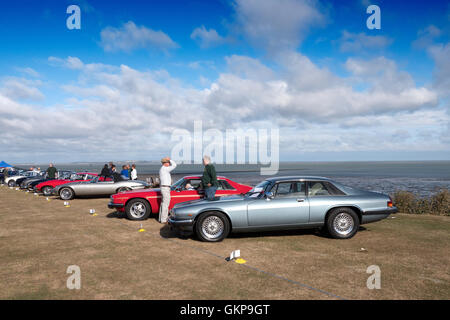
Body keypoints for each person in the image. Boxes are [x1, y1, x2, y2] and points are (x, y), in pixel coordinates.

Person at [158, 157, 177, 224]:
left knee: (163, 204)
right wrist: (170, 159)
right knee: (166, 204)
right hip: (165, 188)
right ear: (165, 163)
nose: (169, 163)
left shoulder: (163, 169)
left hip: (164, 187)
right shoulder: (165, 169)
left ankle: (161, 218)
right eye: (168, 162)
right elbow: (174, 165)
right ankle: (164, 219)